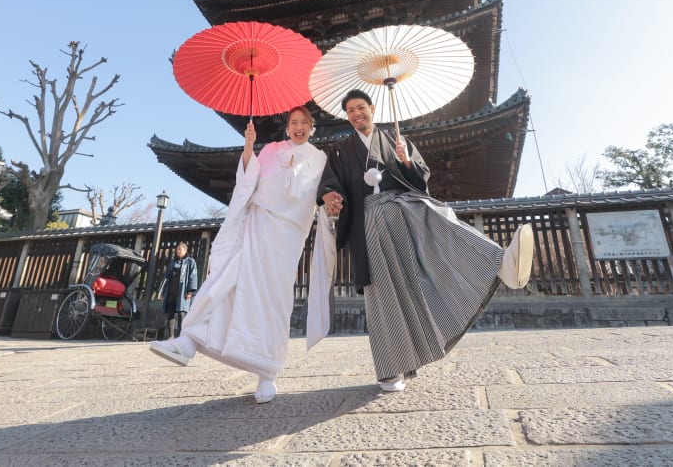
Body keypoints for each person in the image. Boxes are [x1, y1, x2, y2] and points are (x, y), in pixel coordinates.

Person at [317, 89, 533, 392]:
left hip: (403, 209)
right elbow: (330, 184)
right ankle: (392, 369)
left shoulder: (395, 141)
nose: (356, 114)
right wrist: (330, 196)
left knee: (439, 216)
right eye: (350, 110)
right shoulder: (340, 151)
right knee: (384, 294)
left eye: (361, 108)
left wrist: (405, 161)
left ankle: (500, 263)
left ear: (373, 109)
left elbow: (421, 178)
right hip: (369, 224)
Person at [149, 106, 328, 404]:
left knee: (274, 300)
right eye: (293, 122)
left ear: (312, 127)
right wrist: (248, 147)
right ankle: (189, 340)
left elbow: (319, 194)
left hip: (286, 236)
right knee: (227, 277)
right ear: (286, 127)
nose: (298, 127)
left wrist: (297, 175)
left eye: (304, 123)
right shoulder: (270, 150)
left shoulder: (319, 159)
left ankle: (267, 372)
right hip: (258, 225)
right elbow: (248, 181)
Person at [158, 242, 199, 339]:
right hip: (171, 291)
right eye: (177, 249)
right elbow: (166, 277)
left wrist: (190, 291)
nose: (178, 251)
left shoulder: (190, 261)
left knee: (181, 313)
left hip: (182, 292)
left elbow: (193, 276)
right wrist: (162, 292)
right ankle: (171, 335)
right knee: (170, 313)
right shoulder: (173, 262)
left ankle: (181, 335)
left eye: (180, 249)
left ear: (185, 250)